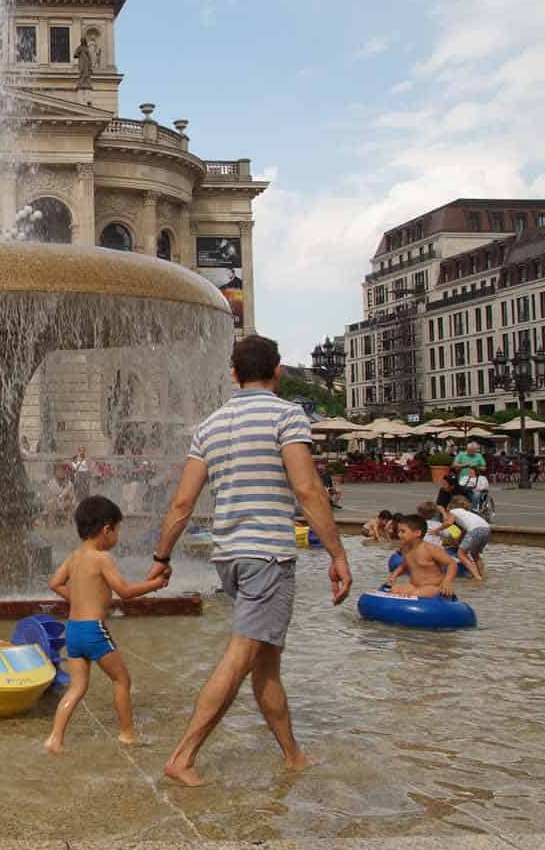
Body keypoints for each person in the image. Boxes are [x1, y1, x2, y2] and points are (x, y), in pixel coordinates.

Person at [149, 334, 351, 787]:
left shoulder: (210, 425)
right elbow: (306, 489)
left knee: (266, 661)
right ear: (277, 371)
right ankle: (182, 756)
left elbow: (182, 503)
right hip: (268, 554)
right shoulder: (287, 415)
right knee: (242, 655)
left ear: (234, 374)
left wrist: (162, 556)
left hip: (230, 557)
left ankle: (293, 755)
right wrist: (338, 554)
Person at [44, 495, 170, 753]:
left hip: (74, 630)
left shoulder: (74, 556)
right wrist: (156, 585)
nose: (117, 537)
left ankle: (55, 738)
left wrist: (79, 598)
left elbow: (54, 583)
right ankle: (127, 733)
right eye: (118, 530)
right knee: (122, 679)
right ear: (106, 529)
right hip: (93, 630)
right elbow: (124, 591)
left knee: (78, 687)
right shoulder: (102, 558)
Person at [387, 514, 459, 598]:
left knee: (415, 594)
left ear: (417, 533)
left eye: (403, 531)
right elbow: (404, 565)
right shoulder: (405, 549)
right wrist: (393, 576)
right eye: (398, 531)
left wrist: (447, 581)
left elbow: (452, 563)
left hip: (433, 587)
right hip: (414, 585)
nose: (399, 535)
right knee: (394, 590)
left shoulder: (430, 549)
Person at [435, 496, 491, 580]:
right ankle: (482, 575)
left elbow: (449, 523)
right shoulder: (466, 513)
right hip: (487, 529)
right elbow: (464, 532)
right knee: (475, 554)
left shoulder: (453, 511)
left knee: (461, 554)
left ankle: (477, 577)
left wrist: (436, 530)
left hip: (475, 530)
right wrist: (458, 543)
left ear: (452, 505)